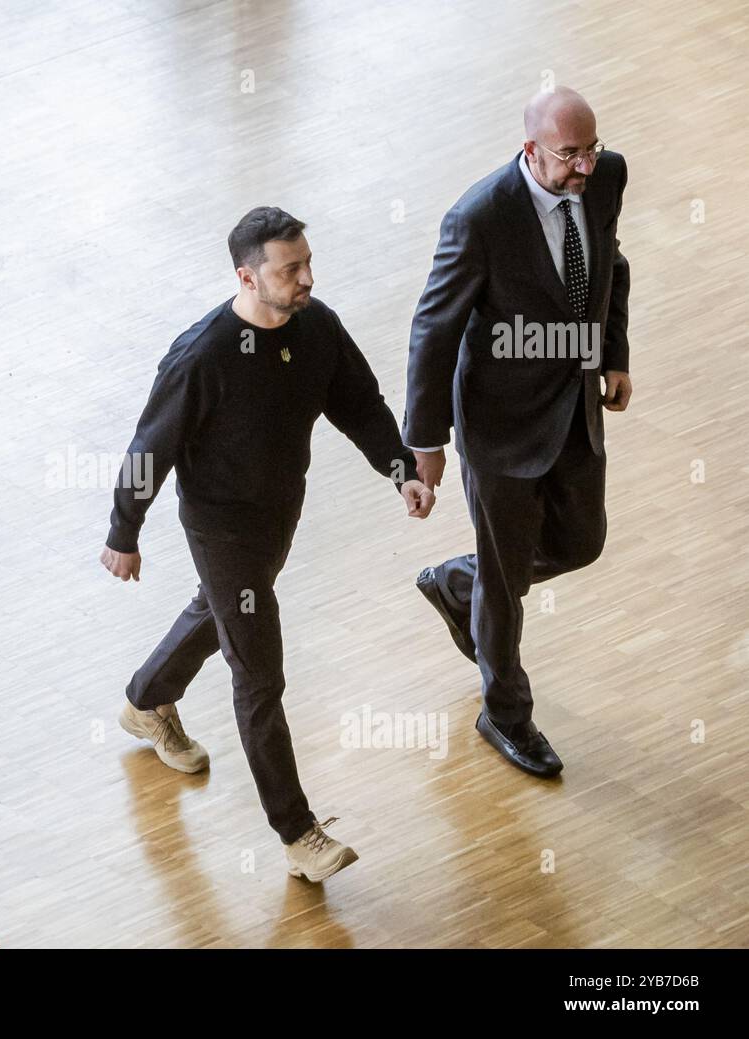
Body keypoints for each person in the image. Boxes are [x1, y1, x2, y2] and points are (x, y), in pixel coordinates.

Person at [100, 206, 435, 883]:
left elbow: (359, 403)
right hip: (219, 525)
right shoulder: (203, 355)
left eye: (308, 262)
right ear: (248, 277)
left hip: (279, 510)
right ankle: (298, 833)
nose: (308, 277)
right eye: (292, 269)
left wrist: (400, 469)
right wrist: (123, 533)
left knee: (219, 613)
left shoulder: (317, 328)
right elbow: (148, 448)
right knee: (259, 673)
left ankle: (146, 700)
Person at [403, 87, 633, 778]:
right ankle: (505, 713)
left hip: (574, 406)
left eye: (591, 150)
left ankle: (459, 583)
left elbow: (610, 266)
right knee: (507, 586)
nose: (585, 167)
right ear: (531, 149)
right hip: (499, 424)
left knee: (581, 541)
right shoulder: (478, 218)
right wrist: (425, 444)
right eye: (570, 155)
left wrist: (614, 352)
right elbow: (433, 330)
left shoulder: (608, 175)